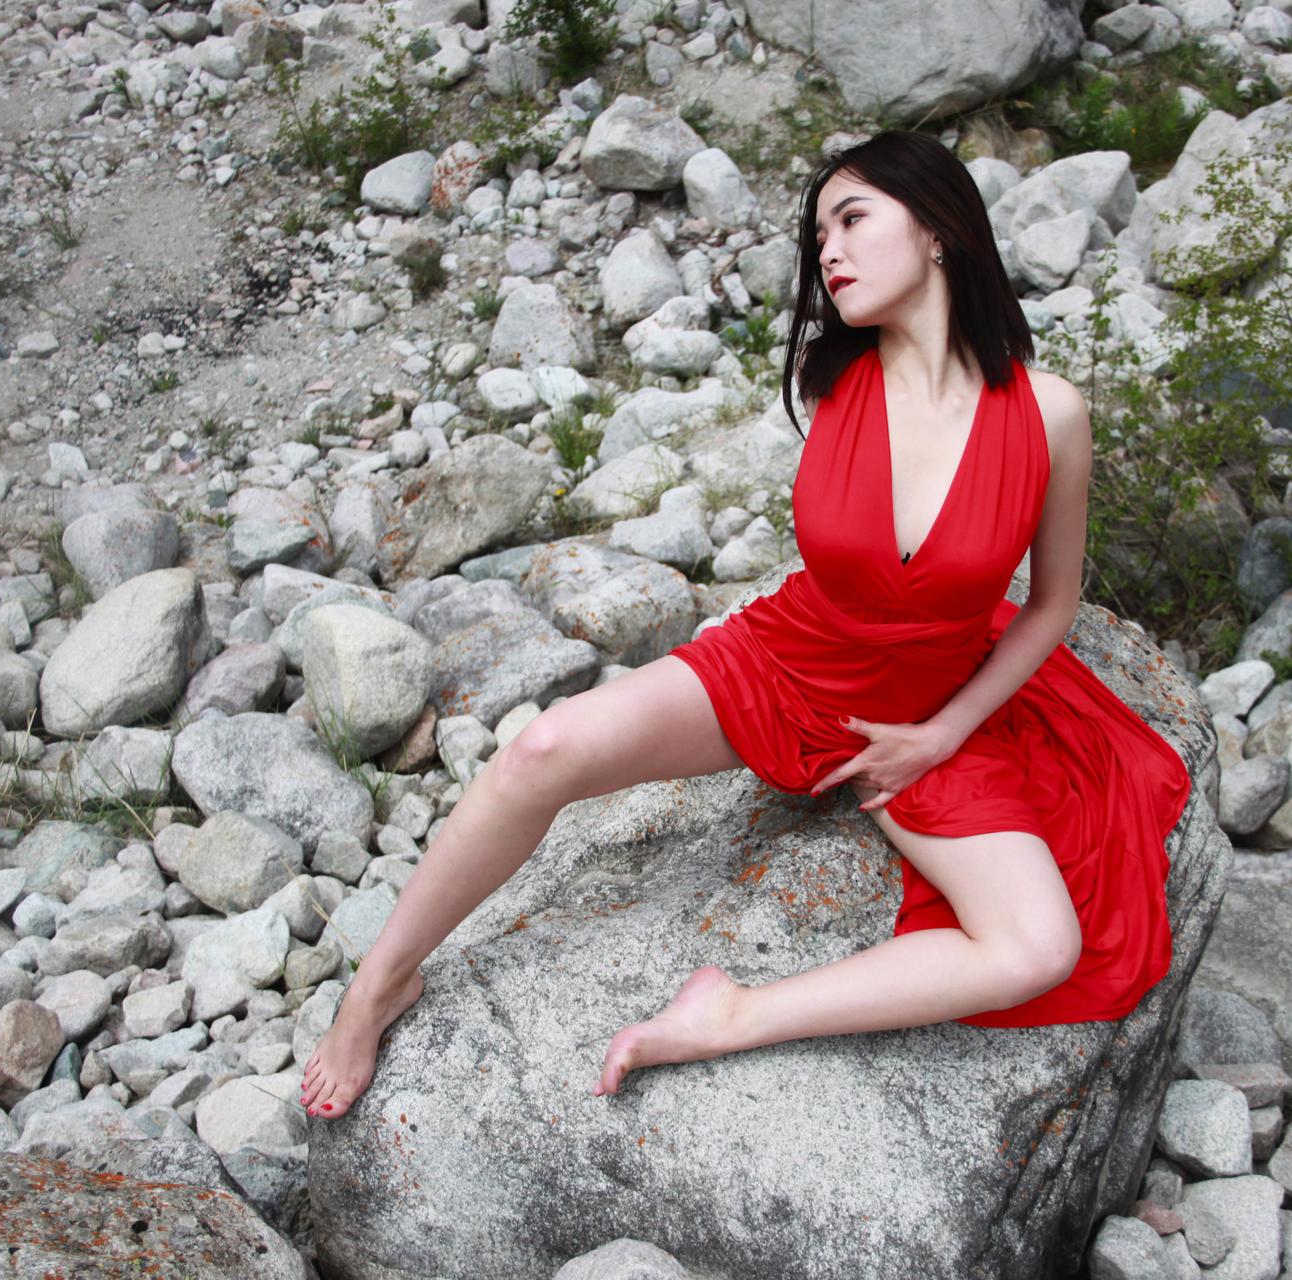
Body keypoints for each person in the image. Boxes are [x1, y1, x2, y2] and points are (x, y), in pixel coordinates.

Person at [298, 130, 1191, 1119]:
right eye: (819, 237)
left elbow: (1053, 602)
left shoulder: (1050, 413)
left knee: (1040, 947)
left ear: (939, 227)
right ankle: (381, 980)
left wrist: (943, 732)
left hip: (923, 716)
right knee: (542, 749)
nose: (829, 253)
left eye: (851, 220)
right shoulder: (834, 380)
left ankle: (730, 1012)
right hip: (786, 665)